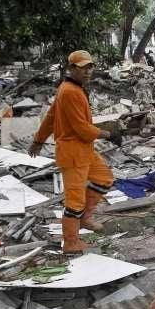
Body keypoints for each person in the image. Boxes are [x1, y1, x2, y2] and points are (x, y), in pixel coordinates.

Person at [28, 50, 122, 254]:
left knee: (104, 179)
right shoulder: (70, 91)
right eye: (82, 68)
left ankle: (85, 219)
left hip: (84, 150)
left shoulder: (72, 88)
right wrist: (108, 133)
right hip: (72, 153)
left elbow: (51, 117)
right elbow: (82, 128)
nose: (87, 72)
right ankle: (70, 243)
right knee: (74, 201)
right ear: (71, 69)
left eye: (90, 67)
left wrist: (38, 139)